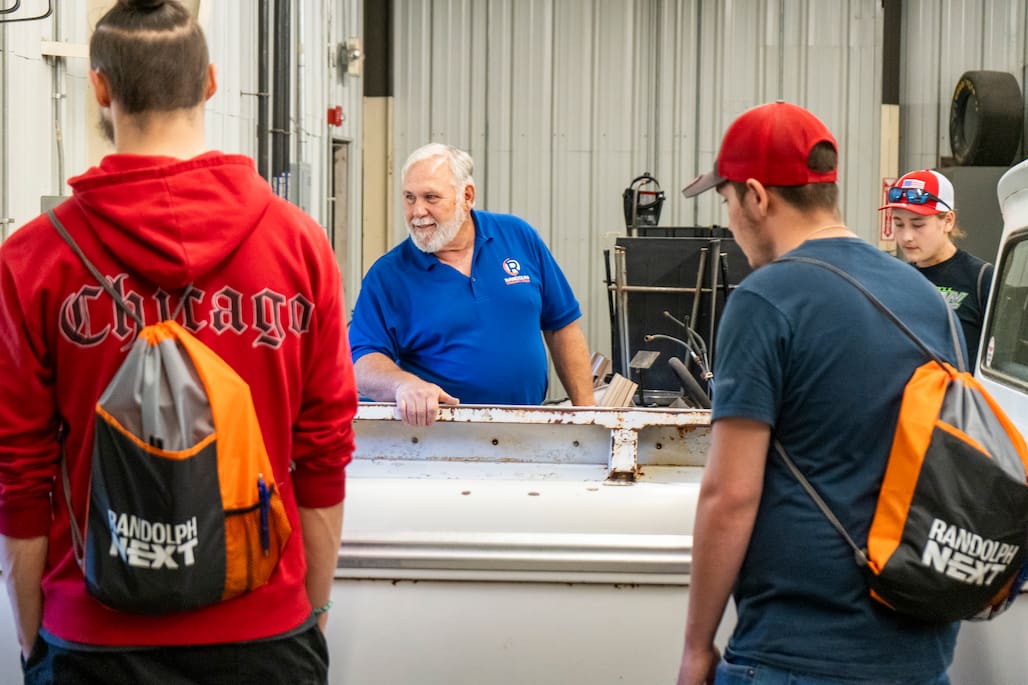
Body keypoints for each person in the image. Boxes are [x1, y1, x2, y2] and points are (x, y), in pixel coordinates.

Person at [0, 1, 357, 683]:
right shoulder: (299, 245)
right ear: (212, 82)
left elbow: (20, 477)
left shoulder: (34, 260)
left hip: (93, 638)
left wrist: (32, 639)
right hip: (265, 633)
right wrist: (310, 614)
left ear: (100, 88)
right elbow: (323, 454)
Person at [676, 102, 959, 685]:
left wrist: (697, 647)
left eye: (726, 201)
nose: (729, 219)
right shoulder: (927, 299)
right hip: (919, 652)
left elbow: (729, 495)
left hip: (795, 655)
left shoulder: (765, 299)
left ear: (757, 196)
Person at [348, 143, 594, 426]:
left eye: (431, 197)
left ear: (466, 196)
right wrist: (402, 385)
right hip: (439, 438)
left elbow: (561, 325)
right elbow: (362, 360)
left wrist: (588, 414)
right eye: (409, 197)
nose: (417, 211)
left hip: (526, 427)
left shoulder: (517, 236)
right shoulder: (389, 275)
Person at [880, 168, 994, 365]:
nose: (907, 236)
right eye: (898, 224)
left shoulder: (982, 278)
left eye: (918, 225)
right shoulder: (897, 281)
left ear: (948, 221)